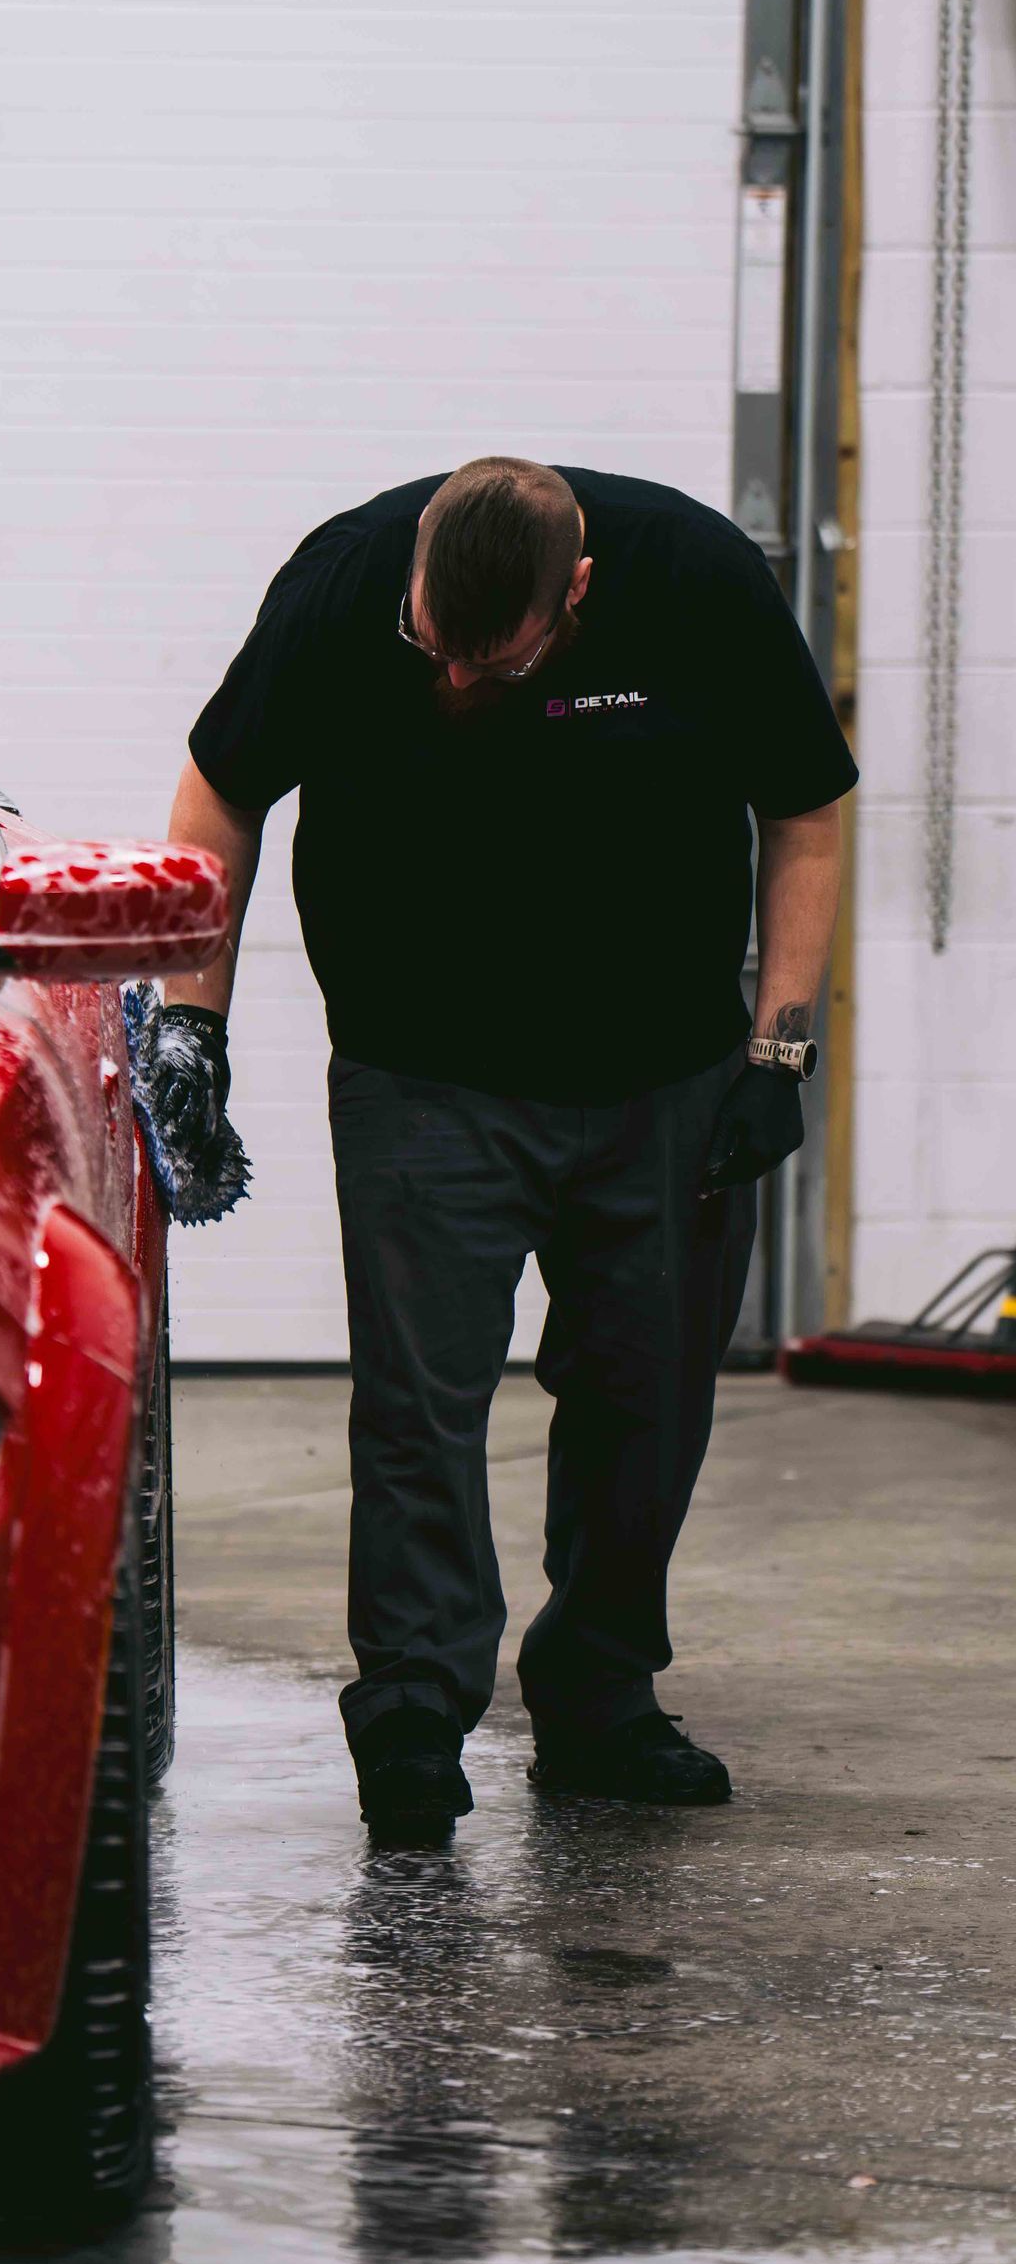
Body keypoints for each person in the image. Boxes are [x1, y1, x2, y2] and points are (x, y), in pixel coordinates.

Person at [152, 457, 854, 1840]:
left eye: (496, 661)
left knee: (645, 1402)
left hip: (666, 1084)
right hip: (426, 1079)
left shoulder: (698, 577)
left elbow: (806, 810)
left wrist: (779, 1050)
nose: (454, 683)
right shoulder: (349, 578)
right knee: (420, 1409)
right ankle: (413, 1719)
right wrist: (194, 1026)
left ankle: (598, 1700)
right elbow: (218, 791)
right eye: (433, 648)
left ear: (577, 593)